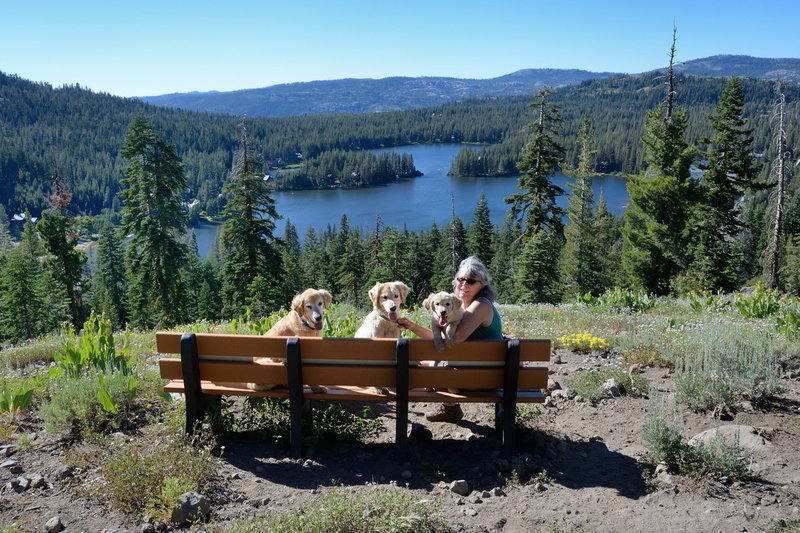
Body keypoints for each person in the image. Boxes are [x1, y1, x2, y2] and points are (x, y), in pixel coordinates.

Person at [397, 255, 503, 421]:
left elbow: (455, 338)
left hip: (483, 378)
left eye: (471, 281)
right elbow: (446, 339)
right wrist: (413, 326)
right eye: (460, 279)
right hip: (481, 372)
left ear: (482, 285)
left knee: (417, 368)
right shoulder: (460, 307)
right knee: (426, 364)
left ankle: (449, 410)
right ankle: (450, 408)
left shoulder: (480, 305)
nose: (463, 285)